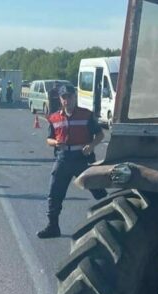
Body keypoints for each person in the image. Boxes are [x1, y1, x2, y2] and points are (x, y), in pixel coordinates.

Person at [37, 84, 108, 239]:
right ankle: (53, 227)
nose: (67, 100)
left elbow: (100, 135)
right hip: (63, 159)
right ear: (60, 99)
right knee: (54, 193)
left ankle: (110, 221)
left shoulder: (86, 115)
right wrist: (55, 143)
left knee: (99, 191)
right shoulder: (54, 117)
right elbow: (49, 139)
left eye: (69, 97)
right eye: (64, 97)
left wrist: (91, 145)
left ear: (75, 97)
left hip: (83, 159)